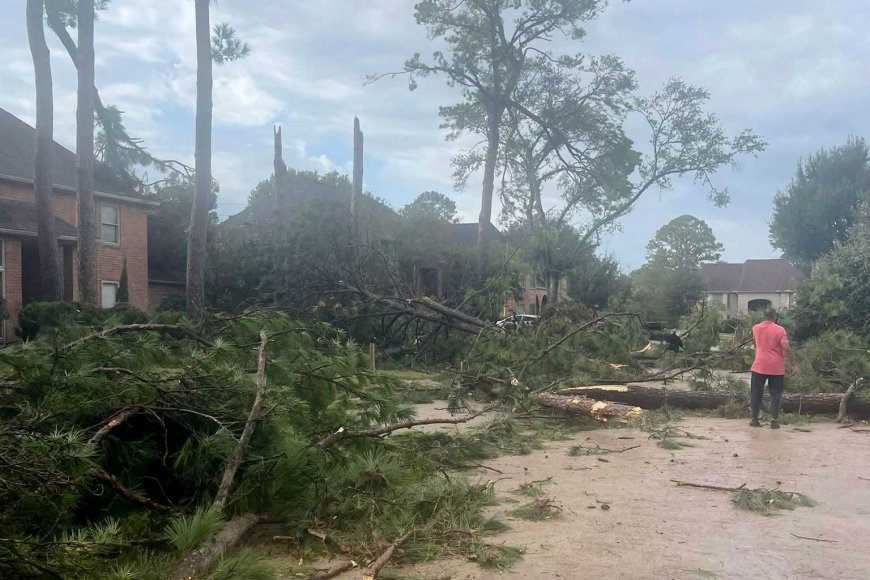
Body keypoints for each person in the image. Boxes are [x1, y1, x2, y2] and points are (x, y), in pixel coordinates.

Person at [749, 308, 796, 429]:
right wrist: (792, 364)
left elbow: (756, 344)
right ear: (775, 317)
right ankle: (774, 420)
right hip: (776, 367)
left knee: (756, 393)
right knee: (775, 394)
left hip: (759, 365)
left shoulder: (756, 328)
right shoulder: (780, 330)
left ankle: (754, 419)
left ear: (764, 316)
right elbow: (786, 347)